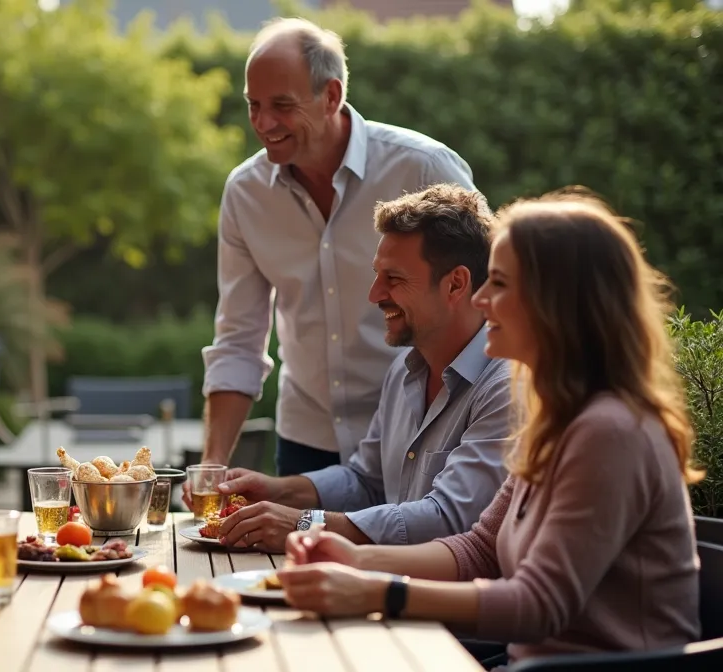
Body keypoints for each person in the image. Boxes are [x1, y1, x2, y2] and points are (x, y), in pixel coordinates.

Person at [276, 191, 702, 668]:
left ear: (557, 300)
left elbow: (538, 606)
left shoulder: (610, 432)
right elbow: (480, 549)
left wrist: (378, 592)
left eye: (498, 283)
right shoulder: (559, 418)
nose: (479, 299)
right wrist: (354, 559)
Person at [196, 16, 478, 488]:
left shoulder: (424, 167)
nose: (263, 123)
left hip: (421, 430)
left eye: (282, 105)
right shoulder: (245, 193)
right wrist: (212, 464)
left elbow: (485, 300)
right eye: (253, 105)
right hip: (306, 440)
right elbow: (239, 338)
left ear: (331, 96)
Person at [212, 184, 512, 553]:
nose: (374, 294)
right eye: (376, 275)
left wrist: (305, 523)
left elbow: (450, 518)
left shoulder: (506, 386)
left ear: (455, 284)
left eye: (394, 279)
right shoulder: (403, 369)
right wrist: (277, 490)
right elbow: (367, 482)